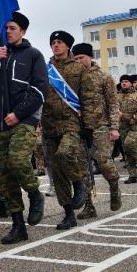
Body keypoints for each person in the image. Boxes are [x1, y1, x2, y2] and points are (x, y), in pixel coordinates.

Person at [0, 12, 47, 244]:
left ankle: (34, 193)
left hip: (23, 121)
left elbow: (39, 90)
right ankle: (18, 225)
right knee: (4, 174)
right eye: (6, 28)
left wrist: (18, 113)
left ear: (23, 31)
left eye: (13, 28)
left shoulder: (33, 55)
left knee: (18, 161)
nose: (8, 31)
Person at [41, 30, 93, 231]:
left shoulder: (79, 68)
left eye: (60, 42)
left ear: (68, 46)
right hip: (49, 124)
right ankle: (68, 213)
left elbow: (87, 98)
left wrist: (88, 126)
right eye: (53, 42)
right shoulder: (45, 69)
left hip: (71, 122)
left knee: (65, 155)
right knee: (56, 171)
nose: (56, 45)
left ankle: (79, 182)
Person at [73, 42, 122, 219]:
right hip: (80, 128)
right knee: (83, 169)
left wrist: (114, 127)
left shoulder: (103, 76)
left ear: (90, 57)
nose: (79, 61)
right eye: (75, 58)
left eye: (81, 57)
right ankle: (89, 206)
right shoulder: (72, 78)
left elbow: (113, 103)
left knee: (103, 163)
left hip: (101, 126)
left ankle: (114, 187)